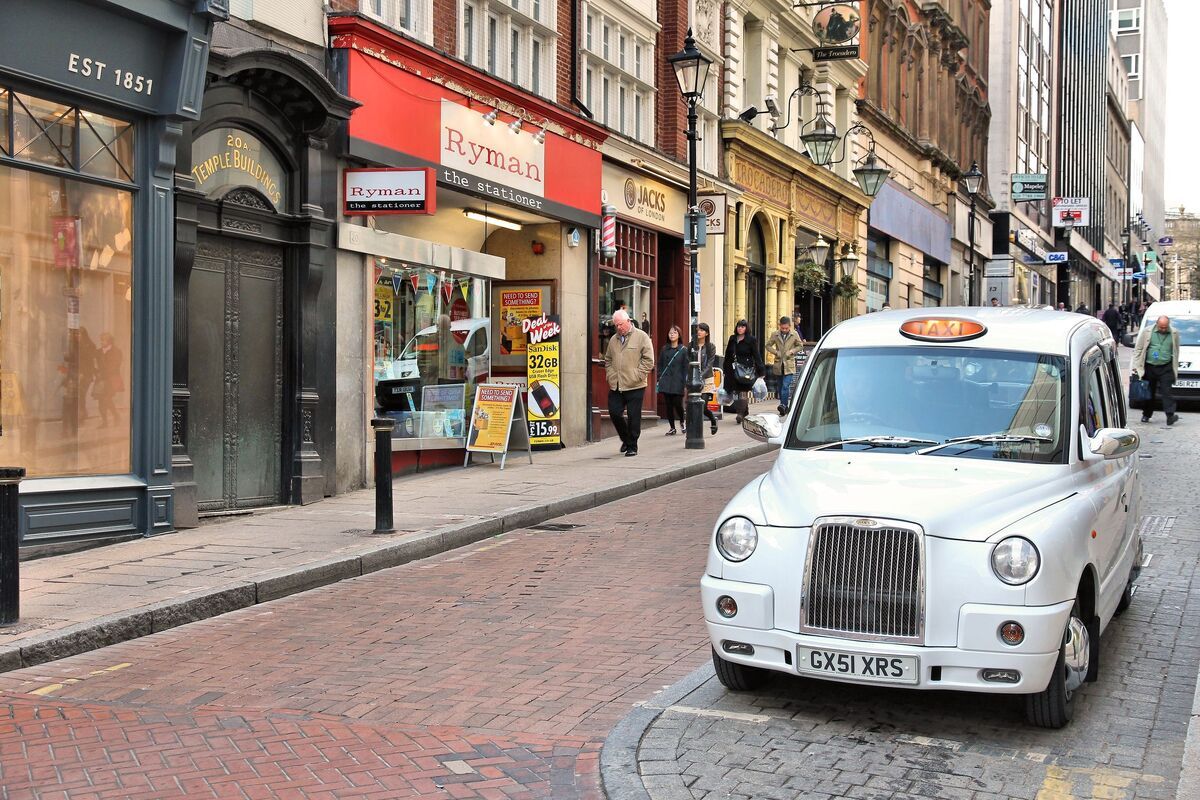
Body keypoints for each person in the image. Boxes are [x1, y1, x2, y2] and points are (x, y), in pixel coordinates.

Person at [604, 308, 655, 455]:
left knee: (634, 416)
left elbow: (648, 360)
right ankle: (625, 438)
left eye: (621, 324)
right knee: (614, 413)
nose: (619, 328)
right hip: (617, 384)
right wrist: (610, 375)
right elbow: (608, 360)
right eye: (616, 325)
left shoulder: (642, 336)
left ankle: (632, 446)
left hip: (635, 385)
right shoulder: (613, 340)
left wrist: (638, 375)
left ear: (628, 321)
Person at [1131, 315, 1181, 426]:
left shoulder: (1174, 333)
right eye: (1161, 327)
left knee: (1166, 391)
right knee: (1149, 392)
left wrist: (1175, 366)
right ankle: (1146, 414)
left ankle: (1170, 415)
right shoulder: (1147, 331)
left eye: (1165, 327)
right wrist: (1136, 365)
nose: (1163, 329)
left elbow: (1176, 349)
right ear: (1157, 324)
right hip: (1149, 366)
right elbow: (1138, 349)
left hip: (1166, 366)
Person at [724, 319, 765, 424]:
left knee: (743, 392)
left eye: (742, 327)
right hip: (733, 370)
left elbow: (756, 355)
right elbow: (728, 354)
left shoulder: (751, 340)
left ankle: (740, 414)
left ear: (746, 328)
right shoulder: (732, 339)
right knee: (736, 393)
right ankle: (744, 410)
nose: (740, 328)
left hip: (746, 370)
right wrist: (725, 368)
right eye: (738, 326)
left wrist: (761, 371)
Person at [765, 316, 804, 415]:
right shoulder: (775, 334)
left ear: (790, 326)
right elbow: (768, 345)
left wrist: (792, 351)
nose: (784, 330)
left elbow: (800, 346)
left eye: (786, 328)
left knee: (786, 386)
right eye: (782, 328)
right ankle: (784, 407)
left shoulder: (794, 334)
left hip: (789, 364)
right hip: (778, 364)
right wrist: (776, 352)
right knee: (780, 386)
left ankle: (783, 405)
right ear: (779, 326)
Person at [656, 325, 689, 435]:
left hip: (678, 381)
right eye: (670, 333)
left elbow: (686, 367)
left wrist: (684, 382)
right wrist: (660, 376)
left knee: (677, 403)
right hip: (666, 380)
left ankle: (682, 422)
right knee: (668, 404)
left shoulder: (683, 350)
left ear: (679, 335)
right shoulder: (664, 349)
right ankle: (672, 427)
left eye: (674, 332)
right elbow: (660, 364)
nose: (672, 334)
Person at [93, 332, 124, 428]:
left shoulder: (117, 351)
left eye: (104, 340)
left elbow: (115, 366)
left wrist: (104, 374)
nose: (101, 342)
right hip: (100, 379)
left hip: (111, 379)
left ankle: (115, 416)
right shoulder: (98, 352)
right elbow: (94, 364)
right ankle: (105, 421)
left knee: (106, 399)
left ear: (109, 341)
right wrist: (96, 372)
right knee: (101, 400)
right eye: (101, 340)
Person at [694, 322, 720, 435]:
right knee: (694, 406)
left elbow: (709, 363)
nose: (699, 332)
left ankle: (713, 420)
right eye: (698, 330)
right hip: (694, 380)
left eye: (702, 330)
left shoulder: (710, 347)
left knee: (703, 407)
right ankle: (695, 430)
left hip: (707, 379)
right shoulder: (692, 345)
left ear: (707, 333)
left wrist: (701, 375)